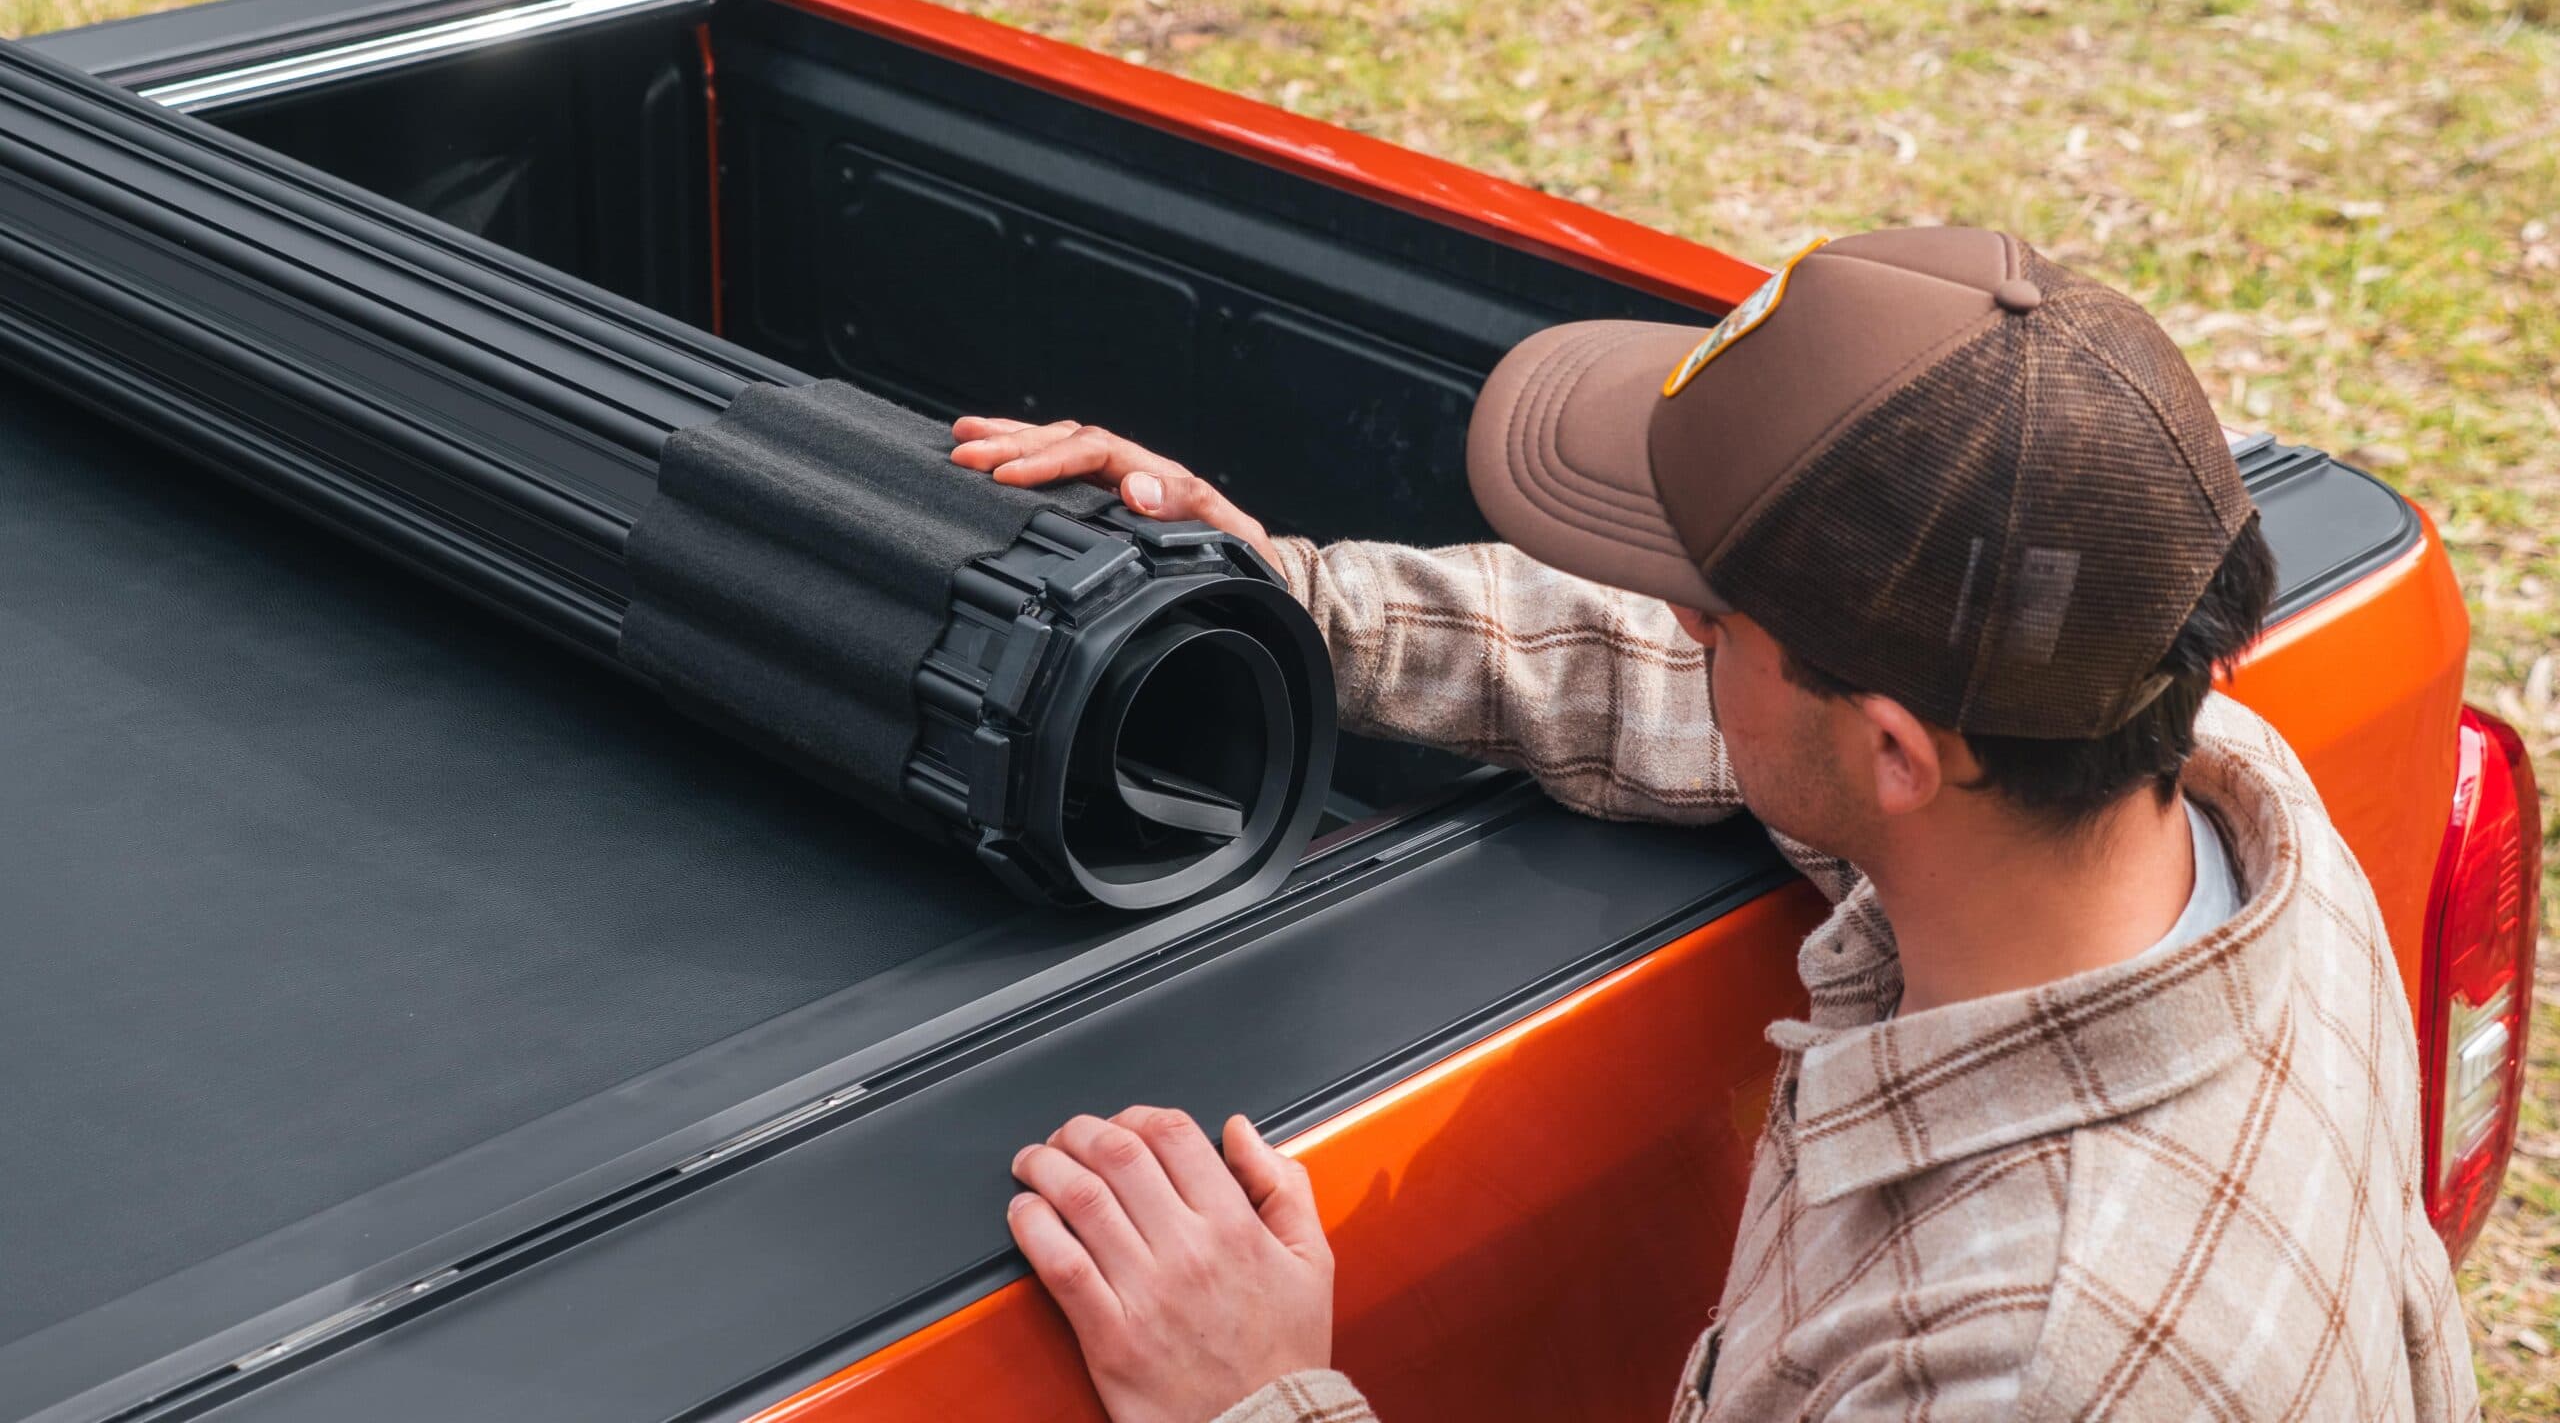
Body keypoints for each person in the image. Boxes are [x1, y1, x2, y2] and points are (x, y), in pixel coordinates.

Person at [949, 226, 2477, 1423]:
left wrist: (1254, 1401)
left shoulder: (2031, 1363)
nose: (1673, 632)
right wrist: (1279, 600)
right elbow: (1705, 709)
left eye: (1708, 617)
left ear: (1892, 750)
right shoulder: (2190, 772)